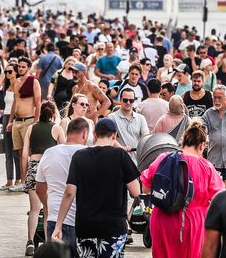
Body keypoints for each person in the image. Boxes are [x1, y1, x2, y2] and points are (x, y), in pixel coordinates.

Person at [53, 119, 140, 258]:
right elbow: (136, 191)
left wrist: (58, 225)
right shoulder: (120, 156)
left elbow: (69, 193)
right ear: (114, 135)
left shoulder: (79, 156)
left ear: (94, 134)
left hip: (86, 226)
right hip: (113, 227)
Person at [141, 120, 225, 258]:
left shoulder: (164, 158)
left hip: (162, 219)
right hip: (192, 223)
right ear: (202, 145)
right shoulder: (207, 167)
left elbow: (145, 188)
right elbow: (220, 198)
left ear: (183, 141)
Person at [36, 118, 89, 258]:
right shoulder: (89, 153)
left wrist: (47, 204)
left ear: (67, 132)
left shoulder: (50, 152)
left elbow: (39, 187)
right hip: (82, 219)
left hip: (55, 216)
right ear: (85, 134)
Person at [20, 101, 66, 256]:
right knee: (48, 210)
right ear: (53, 114)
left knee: (34, 209)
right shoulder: (57, 128)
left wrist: (23, 175)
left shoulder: (31, 128)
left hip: (33, 167)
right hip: (50, 169)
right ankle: (48, 245)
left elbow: (24, 154)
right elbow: (64, 150)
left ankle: (30, 241)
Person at [7, 57, 42, 190]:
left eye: (23, 67)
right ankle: (23, 182)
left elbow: (38, 104)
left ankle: (30, 181)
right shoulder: (15, 82)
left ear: (28, 67)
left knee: (29, 153)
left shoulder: (34, 82)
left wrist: (35, 122)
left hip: (29, 120)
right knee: (19, 152)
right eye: (19, 67)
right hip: (17, 121)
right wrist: (10, 121)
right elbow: (15, 102)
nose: (21, 69)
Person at [106, 88, 150, 163]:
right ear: (120, 100)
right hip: (119, 160)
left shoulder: (141, 118)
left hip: (137, 161)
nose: (128, 103)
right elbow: (109, 138)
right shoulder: (111, 117)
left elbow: (145, 137)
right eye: (125, 100)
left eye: (131, 100)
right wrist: (122, 148)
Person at [0, 63, 23, 190]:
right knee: (7, 151)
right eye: (6, 72)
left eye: (10, 71)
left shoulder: (19, 84)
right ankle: (9, 180)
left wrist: (12, 120)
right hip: (6, 117)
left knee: (16, 151)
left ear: (16, 72)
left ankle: (18, 179)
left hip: (15, 118)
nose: (7, 74)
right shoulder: (6, 86)